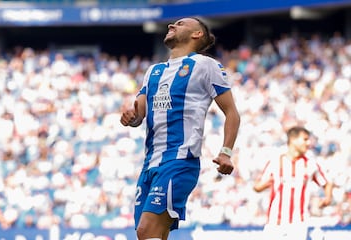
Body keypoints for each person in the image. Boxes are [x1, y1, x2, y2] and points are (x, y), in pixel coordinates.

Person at [120, 17, 240, 240]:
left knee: (147, 230)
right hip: (150, 164)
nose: (171, 26)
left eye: (181, 23)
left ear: (197, 35)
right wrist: (131, 117)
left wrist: (226, 152)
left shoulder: (206, 65)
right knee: (148, 234)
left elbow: (232, 112)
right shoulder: (153, 72)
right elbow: (139, 115)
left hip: (180, 160)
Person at [253, 126, 333, 240]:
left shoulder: (310, 164)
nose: (308, 143)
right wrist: (261, 186)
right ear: (293, 140)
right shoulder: (275, 162)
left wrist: (327, 198)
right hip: (275, 223)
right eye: (305, 139)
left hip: (298, 224)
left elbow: (327, 182)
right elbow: (257, 186)